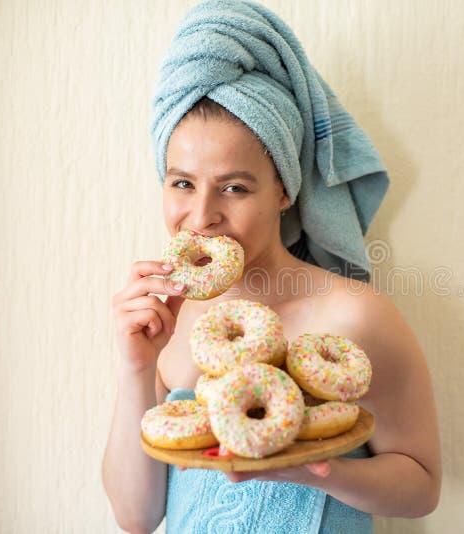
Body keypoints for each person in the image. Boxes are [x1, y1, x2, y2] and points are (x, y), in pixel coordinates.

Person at [102, 2, 440, 532]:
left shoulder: (356, 319)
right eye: (183, 183)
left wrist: (315, 471)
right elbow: (136, 517)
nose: (202, 215)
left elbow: (422, 486)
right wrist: (136, 367)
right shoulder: (168, 321)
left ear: (284, 190)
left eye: (234, 187)